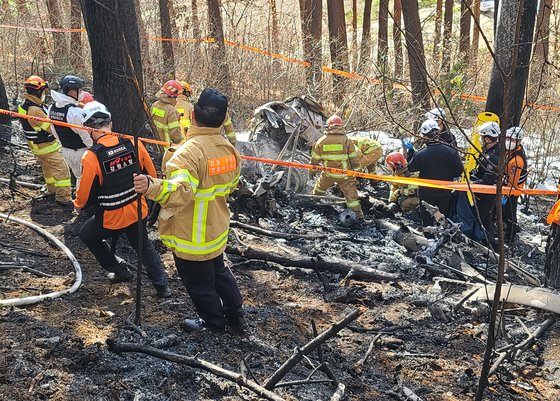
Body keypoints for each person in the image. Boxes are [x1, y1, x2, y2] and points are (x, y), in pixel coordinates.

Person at [134, 88, 246, 333]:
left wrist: (151, 186)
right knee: (220, 272)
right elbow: (230, 186)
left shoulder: (187, 153)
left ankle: (213, 323)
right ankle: (236, 315)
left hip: (191, 234)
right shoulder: (229, 151)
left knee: (199, 283)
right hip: (216, 229)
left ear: (193, 115)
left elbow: (181, 192)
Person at [74, 101, 171, 297]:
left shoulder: (92, 157)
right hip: (138, 210)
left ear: (88, 128)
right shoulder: (134, 143)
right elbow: (152, 176)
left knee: (87, 234)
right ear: (110, 122)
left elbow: (83, 199)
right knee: (144, 246)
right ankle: (162, 287)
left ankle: (118, 269)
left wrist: (77, 206)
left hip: (112, 218)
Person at [18, 76, 72, 205]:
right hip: (46, 147)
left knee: (48, 169)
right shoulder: (35, 110)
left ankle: (51, 189)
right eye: (43, 91)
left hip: (38, 147)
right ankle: (63, 197)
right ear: (38, 92)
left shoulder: (27, 105)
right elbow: (50, 129)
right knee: (61, 169)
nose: (44, 94)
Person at [408, 119, 463, 229]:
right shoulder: (451, 152)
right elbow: (459, 171)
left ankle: (429, 241)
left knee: (427, 220)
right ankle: (443, 238)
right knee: (442, 218)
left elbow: (411, 168)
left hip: (427, 193)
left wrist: (411, 154)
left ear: (424, 135)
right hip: (445, 191)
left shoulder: (421, 154)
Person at [310, 115, 364, 221]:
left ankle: (313, 205)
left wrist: (312, 170)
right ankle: (359, 218)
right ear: (340, 126)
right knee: (352, 198)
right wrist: (358, 172)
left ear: (328, 126)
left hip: (328, 174)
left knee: (318, 190)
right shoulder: (346, 140)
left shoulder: (321, 141)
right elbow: (354, 158)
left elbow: (315, 159)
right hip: (344, 175)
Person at [455, 122, 501, 242]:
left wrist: (471, 184)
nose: (480, 140)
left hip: (486, 195)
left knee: (480, 219)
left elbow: (488, 180)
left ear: (487, 138)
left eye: (481, 137)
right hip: (481, 193)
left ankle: (489, 244)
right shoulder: (488, 152)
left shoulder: (494, 157)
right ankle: (488, 242)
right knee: (484, 219)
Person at [48, 75, 93, 188]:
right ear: (72, 92)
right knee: (87, 181)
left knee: (79, 178)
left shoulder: (52, 108)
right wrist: (95, 151)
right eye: (80, 90)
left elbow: (54, 131)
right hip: (81, 152)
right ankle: (83, 203)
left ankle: (80, 202)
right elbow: (86, 136)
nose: (82, 93)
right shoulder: (74, 112)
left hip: (66, 150)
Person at [503, 126, 528, 240]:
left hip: (513, 190)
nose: (509, 142)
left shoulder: (517, 160)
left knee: (509, 211)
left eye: (512, 140)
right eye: (508, 139)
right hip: (508, 187)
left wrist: (506, 193)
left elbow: (513, 180)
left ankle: (511, 233)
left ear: (518, 141)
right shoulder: (510, 152)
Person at [151, 80, 184, 146]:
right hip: (167, 146)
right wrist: (181, 142)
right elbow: (174, 132)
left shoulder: (154, 105)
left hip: (155, 143)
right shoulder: (171, 111)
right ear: (172, 96)